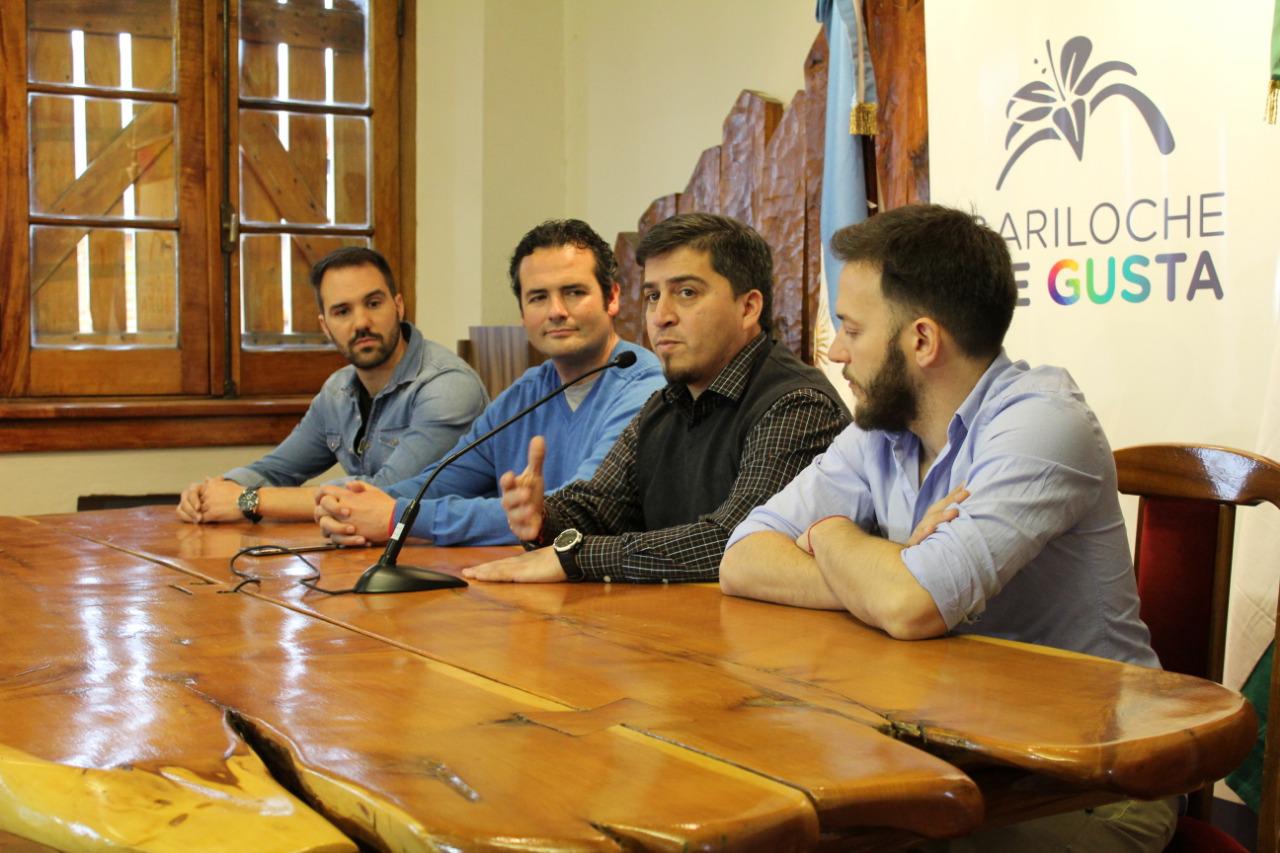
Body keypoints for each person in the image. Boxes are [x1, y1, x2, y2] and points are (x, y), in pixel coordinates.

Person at [719, 204, 1174, 850]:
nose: (836, 351)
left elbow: (911, 604)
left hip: (1093, 783)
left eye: (852, 329)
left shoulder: (1043, 420)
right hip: (956, 755)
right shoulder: (882, 429)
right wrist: (890, 565)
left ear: (923, 342)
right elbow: (741, 557)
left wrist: (832, 536)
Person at [465, 212, 849, 584]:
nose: (661, 316)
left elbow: (739, 542)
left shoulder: (798, 405)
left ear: (748, 307)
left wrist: (576, 557)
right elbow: (600, 508)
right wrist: (542, 517)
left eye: (686, 293)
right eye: (652, 295)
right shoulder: (665, 404)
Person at [312, 220, 664, 546]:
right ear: (523, 314)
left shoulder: (646, 388)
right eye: (538, 297)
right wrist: (351, 506)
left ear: (612, 297)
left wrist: (396, 517)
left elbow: (568, 512)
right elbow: (441, 481)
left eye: (573, 292)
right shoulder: (526, 393)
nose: (556, 311)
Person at [176, 246, 487, 525]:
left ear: (398, 306)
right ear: (325, 326)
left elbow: (384, 495)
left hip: (453, 556)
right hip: (372, 549)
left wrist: (248, 500)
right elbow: (276, 469)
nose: (361, 322)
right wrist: (215, 491)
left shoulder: (447, 387)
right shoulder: (338, 391)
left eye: (373, 303)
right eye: (342, 311)